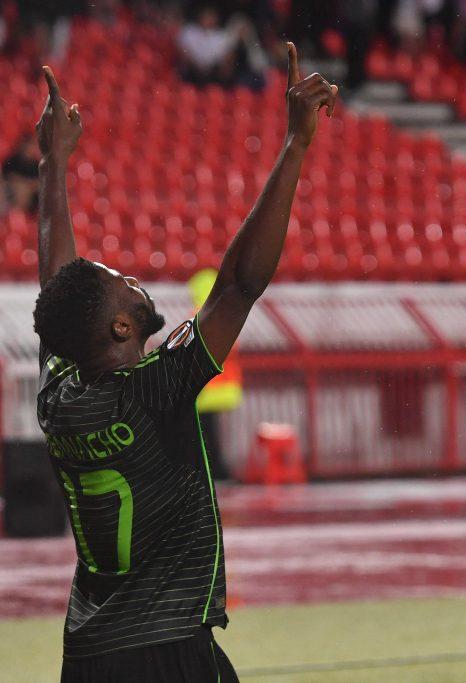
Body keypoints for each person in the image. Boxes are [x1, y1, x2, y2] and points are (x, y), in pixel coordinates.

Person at [33, 44, 337, 680]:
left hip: (87, 656)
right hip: (168, 647)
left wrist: (54, 163)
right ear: (120, 326)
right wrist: (295, 146)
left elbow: (59, 284)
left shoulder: (58, 394)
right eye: (122, 281)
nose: (133, 278)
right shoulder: (153, 389)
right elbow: (237, 285)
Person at [189, 268, 243, 482]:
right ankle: (219, 470)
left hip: (207, 388)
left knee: (206, 434)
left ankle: (215, 471)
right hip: (223, 386)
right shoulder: (226, 314)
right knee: (214, 433)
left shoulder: (199, 316)